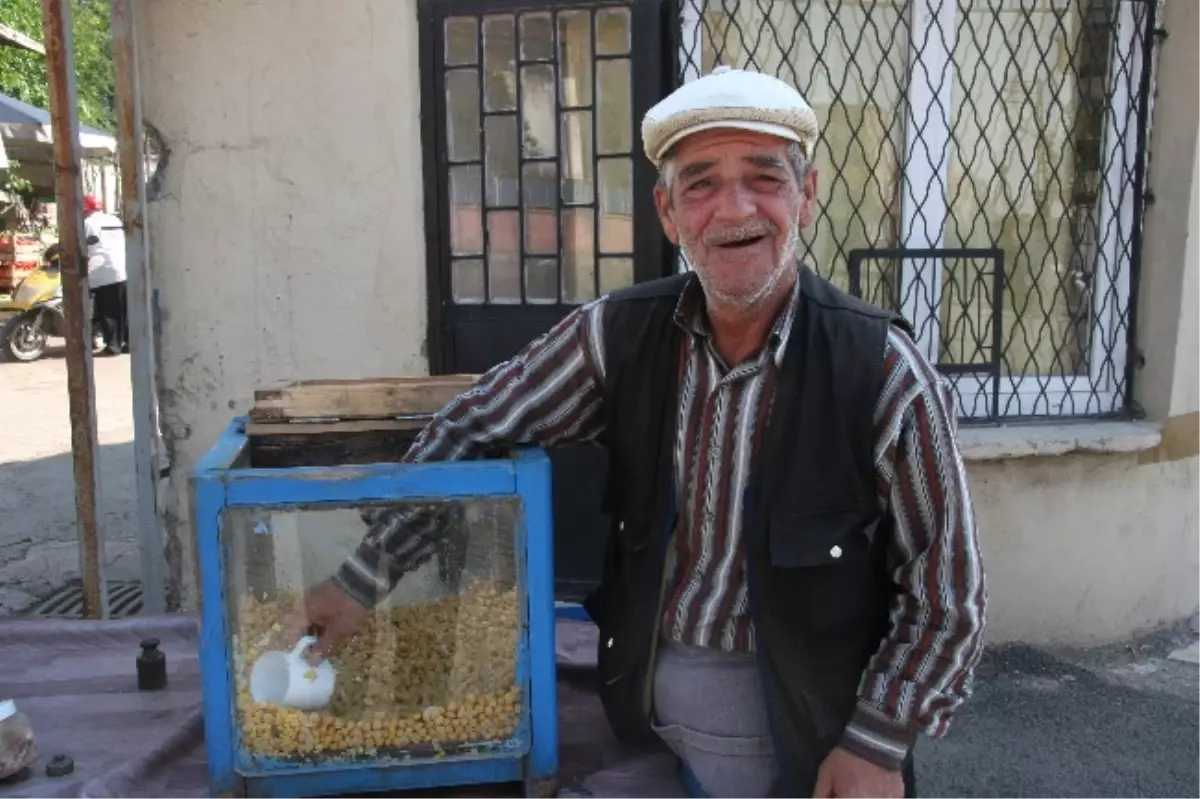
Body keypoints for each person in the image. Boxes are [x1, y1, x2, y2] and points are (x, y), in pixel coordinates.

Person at [287, 67, 987, 799]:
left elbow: (948, 596)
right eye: (701, 184)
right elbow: (475, 420)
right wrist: (362, 579)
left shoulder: (882, 371)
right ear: (666, 212)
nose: (734, 208)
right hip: (643, 717)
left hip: (805, 740)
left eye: (764, 178)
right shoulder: (617, 335)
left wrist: (876, 744)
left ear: (806, 196)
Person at [83, 195, 128, 355]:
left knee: (107, 311)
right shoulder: (114, 220)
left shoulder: (87, 224)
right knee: (123, 309)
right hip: (122, 268)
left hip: (101, 272)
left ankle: (113, 346)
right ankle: (128, 344)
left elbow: (83, 247)